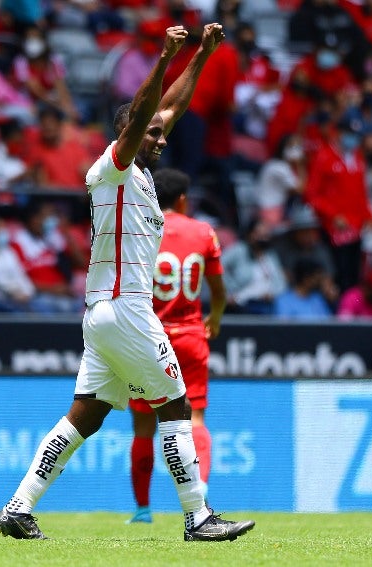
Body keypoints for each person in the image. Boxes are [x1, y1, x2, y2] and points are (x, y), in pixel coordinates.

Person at [0, 23, 254, 542]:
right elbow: (144, 116)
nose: (161, 138)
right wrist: (163, 57)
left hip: (104, 313)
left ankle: (17, 508)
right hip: (126, 307)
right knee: (175, 405)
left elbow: (168, 109)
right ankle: (198, 518)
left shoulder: (141, 176)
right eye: (151, 133)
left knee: (84, 419)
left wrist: (200, 56)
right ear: (128, 132)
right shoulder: (111, 168)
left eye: (161, 133)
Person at [126, 168, 226, 524]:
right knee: (195, 417)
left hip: (150, 336)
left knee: (143, 425)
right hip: (191, 335)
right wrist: (214, 315)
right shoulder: (203, 232)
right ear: (183, 199)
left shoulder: (141, 228)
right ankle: (199, 494)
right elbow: (217, 289)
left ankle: (142, 509)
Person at [304, 116, 372, 292]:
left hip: (356, 226)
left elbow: (361, 192)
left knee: (355, 273)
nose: (353, 139)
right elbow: (312, 194)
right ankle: (340, 313)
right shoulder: (324, 157)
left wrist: (369, 216)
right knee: (340, 273)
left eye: (356, 135)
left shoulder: (357, 158)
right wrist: (333, 215)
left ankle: (352, 309)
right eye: (349, 134)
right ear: (339, 133)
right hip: (334, 227)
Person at [10, 200, 85, 313]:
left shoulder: (50, 237)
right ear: (34, 219)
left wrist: (65, 234)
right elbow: (20, 281)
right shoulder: (17, 243)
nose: (51, 220)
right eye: (47, 216)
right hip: (39, 297)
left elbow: (81, 263)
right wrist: (52, 289)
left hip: (63, 294)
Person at [221, 218, 288, 314]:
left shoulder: (270, 256)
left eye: (266, 235)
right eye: (259, 234)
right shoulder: (239, 250)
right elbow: (217, 265)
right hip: (241, 303)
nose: (263, 238)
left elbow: (280, 282)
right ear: (250, 234)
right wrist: (228, 293)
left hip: (265, 304)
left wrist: (273, 293)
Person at [27, 106, 93, 190]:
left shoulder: (75, 148)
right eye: (44, 123)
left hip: (77, 197)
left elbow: (87, 172)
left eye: (51, 122)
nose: (48, 126)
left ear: (60, 125)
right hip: (54, 198)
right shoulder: (37, 151)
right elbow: (42, 185)